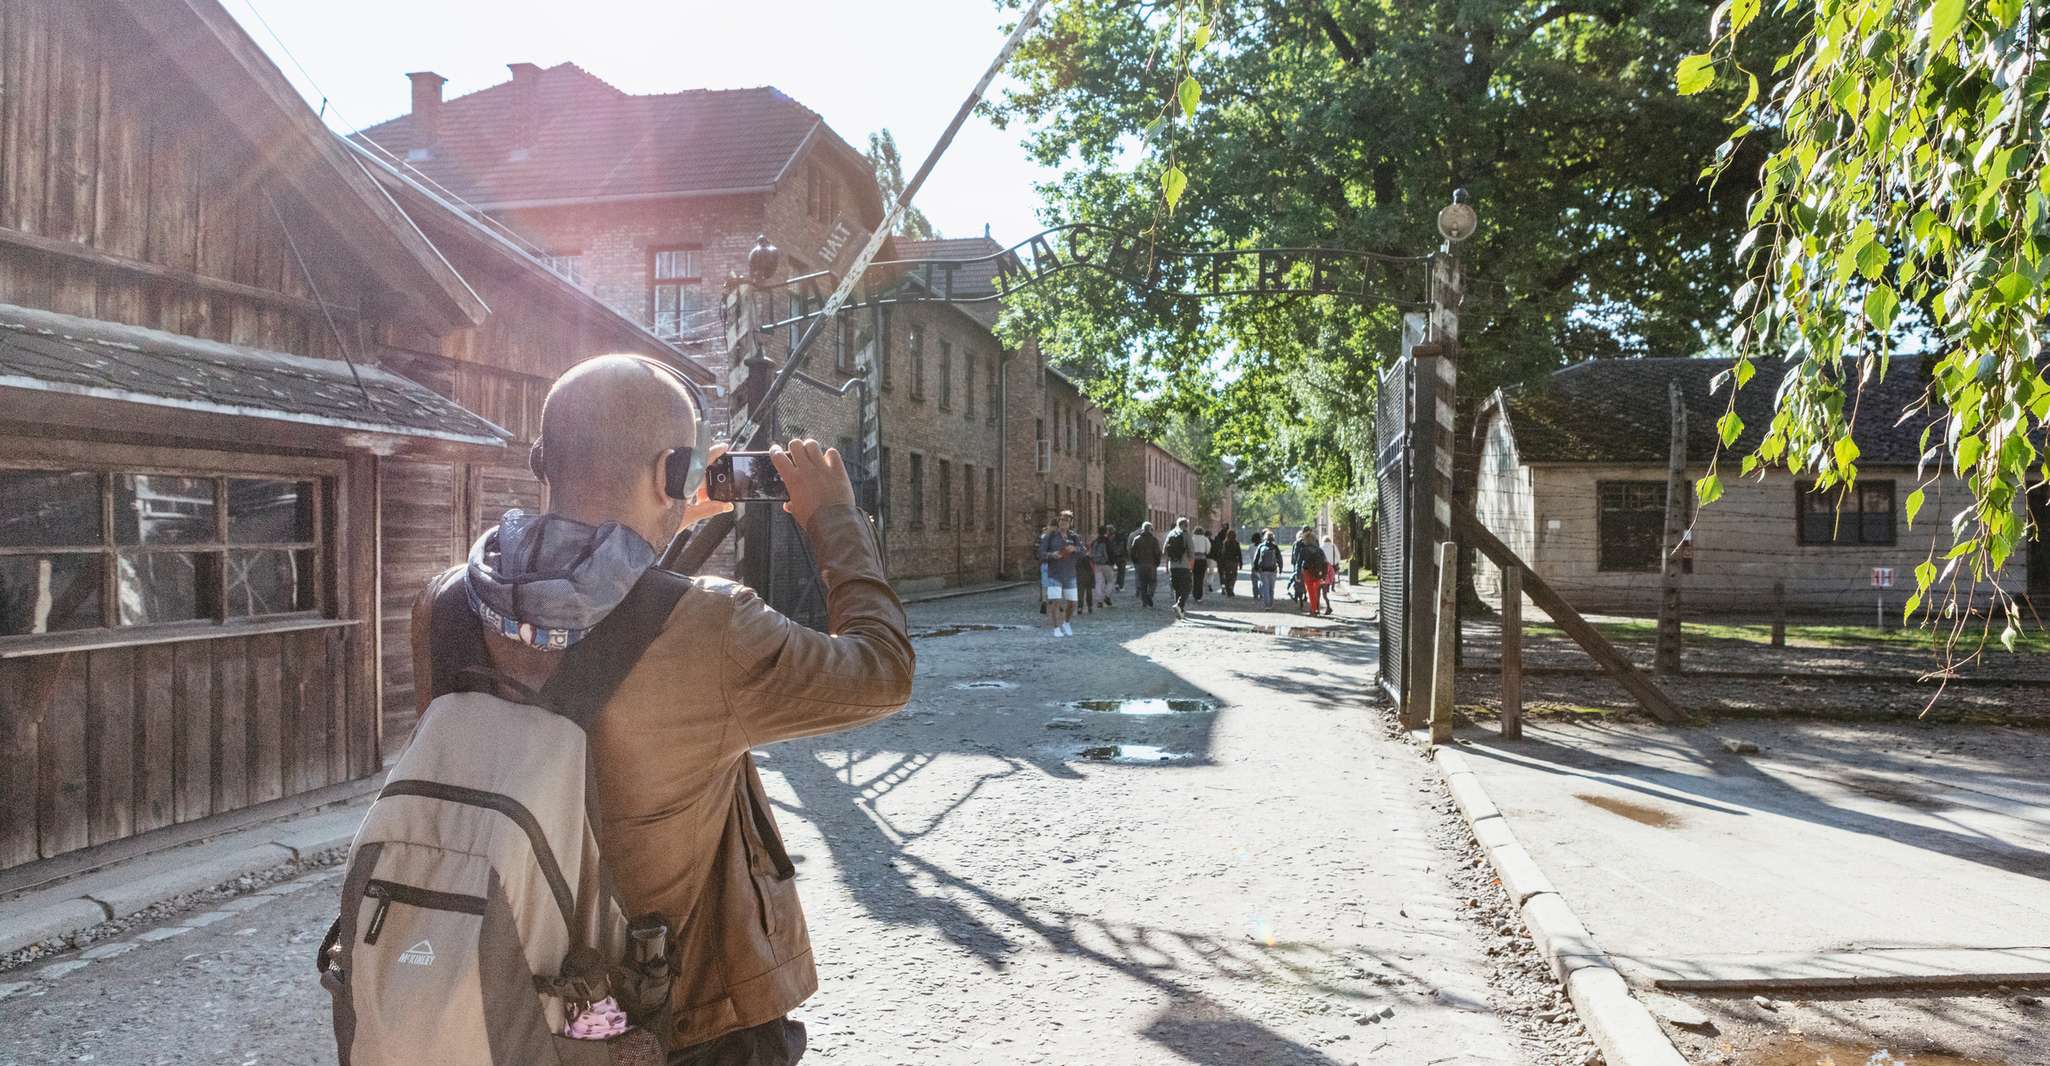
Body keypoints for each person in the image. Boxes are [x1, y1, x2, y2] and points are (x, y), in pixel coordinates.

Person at [408, 355, 913, 1065]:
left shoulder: (444, 605)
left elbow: (571, 630)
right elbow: (883, 672)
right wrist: (835, 519)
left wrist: (656, 524)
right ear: (669, 474)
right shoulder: (711, 625)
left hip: (508, 1001)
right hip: (680, 1025)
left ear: (541, 462)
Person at [1039, 510, 1084, 636]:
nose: (1063, 522)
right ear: (1058, 522)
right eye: (1061, 520)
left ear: (1070, 523)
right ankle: (1056, 628)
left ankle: (1066, 623)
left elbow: (1083, 552)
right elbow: (1041, 553)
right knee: (1056, 601)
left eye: (1066, 520)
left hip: (1070, 574)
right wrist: (1051, 555)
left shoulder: (1074, 537)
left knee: (1073, 603)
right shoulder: (1051, 536)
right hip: (1054, 573)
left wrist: (1075, 548)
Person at [1293, 527, 1328, 617]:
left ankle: (1313, 609)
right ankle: (1316, 608)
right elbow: (1325, 562)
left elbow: (1299, 563)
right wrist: (1324, 575)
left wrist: (1297, 574)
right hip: (1318, 573)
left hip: (1307, 572)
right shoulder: (1319, 550)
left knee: (1311, 591)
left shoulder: (1303, 550)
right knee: (1316, 591)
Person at [1164, 517, 1194, 618]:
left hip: (1173, 566)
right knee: (1187, 587)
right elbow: (1191, 552)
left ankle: (1180, 611)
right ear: (1186, 525)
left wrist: (1168, 563)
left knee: (1177, 588)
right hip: (1184, 565)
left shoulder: (1171, 534)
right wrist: (1191, 564)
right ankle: (1179, 605)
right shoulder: (1186, 534)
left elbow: (1164, 551)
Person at [1128, 521, 1162, 607]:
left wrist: (1135, 561)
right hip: (1151, 564)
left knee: (1142, 583)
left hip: (1140, 564)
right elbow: (1157, 553)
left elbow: (1132, 552)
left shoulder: (1137, 539)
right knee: (1153, 582)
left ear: (1143, 529)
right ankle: (1149, 595)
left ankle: (1144, 602)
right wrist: (1157, 562)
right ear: (1150, 529)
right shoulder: (1154, 540)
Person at [1249, 529, 1283, 608]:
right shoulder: (1275, 547)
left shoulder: (1261, 546)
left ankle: (1266, 604)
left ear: (1265, 538)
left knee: (1265, 587)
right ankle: (1271, 604)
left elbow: (1256, 559)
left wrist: (1256, 568)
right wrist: (1280, 568)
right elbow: (1279, 559)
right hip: (1273, 570)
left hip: (1263, 570)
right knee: (1271, 588)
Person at [1089, 525, 1116, 607]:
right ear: (1106, 532)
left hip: (1097, 564)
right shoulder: (1108, 541)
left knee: (1098, 583)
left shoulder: (1095, 541)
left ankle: (1099, 601)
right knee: (1111, 581)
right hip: (1107, 564)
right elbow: (1111, 553)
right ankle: (1107, 596)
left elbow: (1091, 553)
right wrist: (1112, 563)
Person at [1074, 529, 1097, 615]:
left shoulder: (1075, 550)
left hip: (1080, 573)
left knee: (1080, 591)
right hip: (1088, 572)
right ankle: (1090, 606)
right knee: (1089, 591)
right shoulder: (1085, 549)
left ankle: (1080, 607)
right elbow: (1091, 560)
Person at [1215, 527, 1243, 598]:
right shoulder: (1236, 543)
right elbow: (1239, 553)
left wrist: (1222, 563)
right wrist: (1240, 563)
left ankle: (1228, 590)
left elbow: (1223, 553)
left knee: (1227, 576)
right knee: (1234, 576)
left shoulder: (1225, 543)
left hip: (1227, 562)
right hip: (1234, 562)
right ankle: (1231, 587)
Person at [1320, 531, 1342, 610]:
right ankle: (1331, 586)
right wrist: (1336, 561)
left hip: (1323, 566)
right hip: (1332, 564)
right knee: (1332, 576)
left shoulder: (1321, 547)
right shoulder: (1333, 546)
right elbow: (1338, 556)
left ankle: (1326, 589)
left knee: (1325, 578)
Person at [1189, 526, 1212, 601]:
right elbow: (1208, 549)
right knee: (1201, 578)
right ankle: (1199, 595)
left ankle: (1195, 593)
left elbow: (1189, 549)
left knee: (1195, 577)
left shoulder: (1192, 538)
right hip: (1202, 560)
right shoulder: (1205, 539)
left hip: (1194, 560)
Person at [1108, 524, 1128, 592]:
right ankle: (1120, 586)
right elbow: (1126, 548)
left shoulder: (1111, 538)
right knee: (1121, 572)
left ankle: (1116, 584)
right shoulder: (1123, 538)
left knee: (1116, 571)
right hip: (1122, 556)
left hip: (1114, 556)